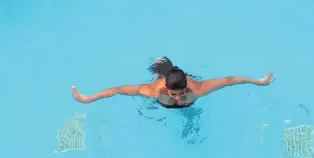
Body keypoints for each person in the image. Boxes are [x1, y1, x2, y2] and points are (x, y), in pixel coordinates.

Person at [71, 57, 275, 109]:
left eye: (181, 92)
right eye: (174, 94)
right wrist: (87, 99)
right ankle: (161, 65)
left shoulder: (197, 89)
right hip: (160, 88)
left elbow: (230, 80)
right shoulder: (152, 91)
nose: (179, 98)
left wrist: (259, 82)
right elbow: (117, 90)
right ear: (166, 88)